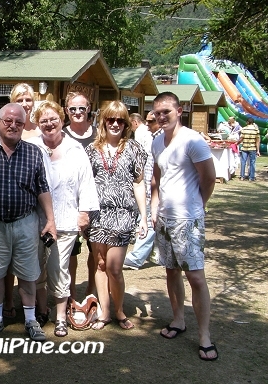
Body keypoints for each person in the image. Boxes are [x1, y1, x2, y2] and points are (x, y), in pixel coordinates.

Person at [150, 91, 218, 361]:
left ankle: (205, 336)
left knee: (196, 278)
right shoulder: (157, 142)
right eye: (157, 113)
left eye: (166, 111)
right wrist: (155, 207)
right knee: (171, 271)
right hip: (165, 218)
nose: (161, 116)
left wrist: (198, 205)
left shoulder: (193, 140)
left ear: (180, 111)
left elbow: (209, 178)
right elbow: (157, 178)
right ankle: (178, 319)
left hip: (188, 219)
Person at [0, 103, 57, 341]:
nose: (13, 126)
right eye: (8, 121)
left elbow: (42, 188)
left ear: (24, 126)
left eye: (18, 123)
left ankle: (31, 320)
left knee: (28, 273)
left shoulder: (33, 152)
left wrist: (51, 220)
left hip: (25, 222)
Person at [27, 101, 99, 336]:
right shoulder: (31, 147)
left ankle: (60, 317)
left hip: (66, 219)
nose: (49, 124)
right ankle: (40, 309)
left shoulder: (75, 149)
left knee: (59, 268)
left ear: (61, 120)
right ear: (38, 124)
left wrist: (84, 212)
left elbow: (87, 183)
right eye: (43, 120)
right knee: (36, 268)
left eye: (53, 119)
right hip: (35, 219)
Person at [85, 101, 148, 330]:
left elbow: (139, 184)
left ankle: (120, 310)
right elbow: (85, 183)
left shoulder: (134, 149)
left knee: (114, 267)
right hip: (98, 216)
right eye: (110, 119)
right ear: (103, 122)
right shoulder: (91, 150)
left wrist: (143, 217)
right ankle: (105, 312)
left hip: (123, 215)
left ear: (126, 124)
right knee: (99, 265)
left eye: (120, 120)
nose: (114, 124)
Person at [2, 83, 41, 321]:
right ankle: (7, 302)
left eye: (28, 99)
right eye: (20, 99)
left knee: (30, 263)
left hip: (31, 207)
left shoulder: (39, 129)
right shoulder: (9, 127)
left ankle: (33, 308)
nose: (25, 103)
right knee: (4, 264)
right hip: (6, 208)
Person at [63, 92, 97, 299]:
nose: (77, 112)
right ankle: (71, 293)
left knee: (96, 251)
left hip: (95, 200)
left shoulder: (98, 134)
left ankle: (91, 291)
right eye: (73, 109)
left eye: (81, 108)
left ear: (88, 109)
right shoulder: (61, 134)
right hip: (68, 201)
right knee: (71, 252)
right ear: (67, 110)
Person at [124, 111, 163, 270]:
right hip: (148, 186)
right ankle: (157, 254)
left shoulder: (157, 138)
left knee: (147, 222)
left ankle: (136, 257)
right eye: (146, 121)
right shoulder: (154, 138)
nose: (147, 125)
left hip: (156, 191)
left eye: (151, 122)